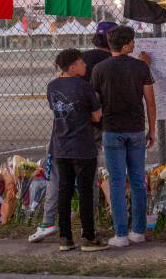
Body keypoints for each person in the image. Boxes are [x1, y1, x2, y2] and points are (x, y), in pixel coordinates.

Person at [28, 21, 117, 243]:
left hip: (62, 136)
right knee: (88, 181)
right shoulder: (109, 63)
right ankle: (90, 229)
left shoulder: (66, 72)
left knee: (61, 182)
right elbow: (98, 110)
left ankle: (55, 228)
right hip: (88, 132)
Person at [91, 25, 156, 247]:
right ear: (127, 44)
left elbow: (95, 103)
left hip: (111, 130)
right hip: (136, 129)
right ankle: (138, 231)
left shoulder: (99, 69)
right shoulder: (140, 68)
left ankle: (120, 234)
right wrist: (153, 129)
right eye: (133, 41)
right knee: (138, 181)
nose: (134, 44)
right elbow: (149, 100)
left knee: (117, 182)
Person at [46, 48, 108, 252]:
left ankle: (65, 238)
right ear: (72, 66)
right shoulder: (85, 87)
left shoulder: (52, 86)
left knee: (64, 190)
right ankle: (88, 237)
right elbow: (96, 116)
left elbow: (57, 110)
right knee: (85, 191)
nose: (85, 65)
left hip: (61, 146)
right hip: (82, 145)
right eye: (81, 63)